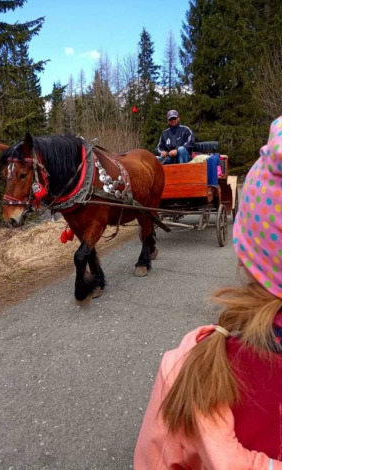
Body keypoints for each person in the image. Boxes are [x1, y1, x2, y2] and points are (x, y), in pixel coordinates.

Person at [134, 116, 283, 470]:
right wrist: (164, 152)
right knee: (164, 160)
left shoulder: (184, 133)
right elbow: (160, 149)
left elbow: (186, 145)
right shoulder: (164, 133)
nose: (170, 122)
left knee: (183, 156)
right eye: (168, 119)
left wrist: (176, 150)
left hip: (186, 160)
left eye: (172, 118)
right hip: (170, 164)